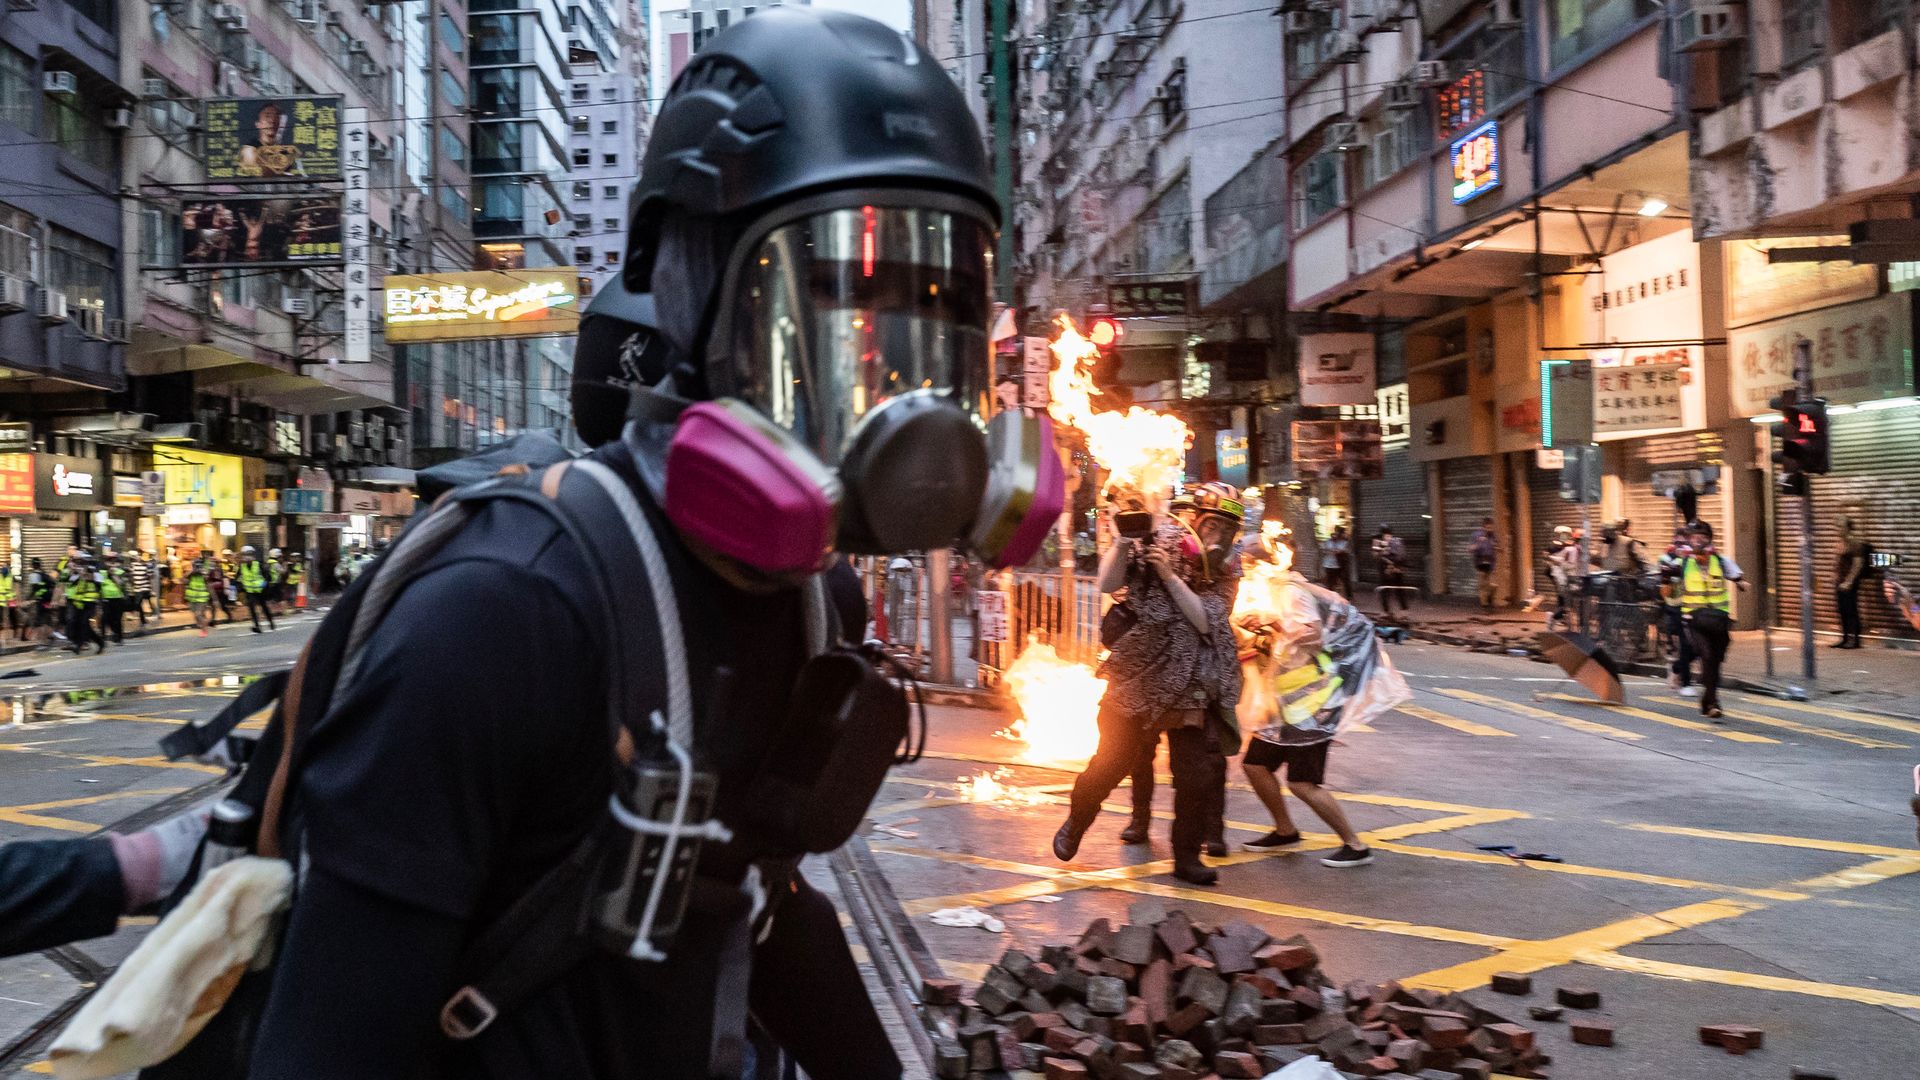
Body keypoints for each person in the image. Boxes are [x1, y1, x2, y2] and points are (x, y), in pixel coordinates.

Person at [236, 13, 1050, 1078]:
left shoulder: (814, 602)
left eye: (928, 311)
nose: (889, 388)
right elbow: (325, 1048)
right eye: (828, 302)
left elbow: (756, 901)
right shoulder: (501, 612)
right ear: (683, 279)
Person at [1055, 482, 1243, 886]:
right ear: (1190, 518)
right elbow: (1107, 584)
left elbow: (1208, 620)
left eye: (1227, 529)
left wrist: (1171, 578)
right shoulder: (1153, 540)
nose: (1218, 537)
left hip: (1193, 678)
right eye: (1212, 526)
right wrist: (1124, 542)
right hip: (1138, 671)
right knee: (1110, 764)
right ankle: (1077, 820)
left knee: (1194, 776)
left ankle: (1187, 857)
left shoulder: (1229, 567)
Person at [1233, 536, 1407, 868]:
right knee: (1255, 765)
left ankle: (1355, 845)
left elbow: (1312, 634)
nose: (1243, 567)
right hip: (1285, 701)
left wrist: (1271, 623)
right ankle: (1285, 830)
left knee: (1302, 781)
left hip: (1313, 702)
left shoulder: (1290, 591)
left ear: (1263, 563)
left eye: (1248, 561)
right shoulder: (1266, 592)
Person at [1677, 527, 1747, 719]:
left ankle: (1707, 700)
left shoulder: (1720, 560)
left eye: (1703, 537)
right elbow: (1668, 590)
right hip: (1694, 620)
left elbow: (1738, 578)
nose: (1698, 540)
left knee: (1715, 662)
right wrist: (1667, 580)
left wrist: (1742, 584)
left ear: (1709, 539)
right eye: (1694, 537)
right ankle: (1713, 703)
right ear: (1689, 540)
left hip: (1718, 620)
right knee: (1707, 656)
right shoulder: (1682, 562)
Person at [1834, 518, 1870, 649]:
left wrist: (1849, 581)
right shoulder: (1840, 543)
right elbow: (1838, 563)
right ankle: (1844, 639)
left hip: (1849, 584)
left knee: (1852, 611)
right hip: (1839, 582)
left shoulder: (1854, 543)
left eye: (1841, 527)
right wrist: (1834, 576)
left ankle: (1856, 640)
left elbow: (1857, 564)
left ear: (1848, 528)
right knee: (1842, 611)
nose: (1838, 529)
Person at [63, 554, 102, 655]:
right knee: (81, 624)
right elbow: (70, 581)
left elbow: (98, 582)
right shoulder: (78, 572)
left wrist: (86, 574)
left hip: (91, 602)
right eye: (77, 561)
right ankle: (97, 642)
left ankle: (79, 645)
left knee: (84, 623)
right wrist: (74, 572)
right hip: (80, 602)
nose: (78, 563)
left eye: (80, 561)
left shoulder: (93, 570)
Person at [237, 545, 276, 633]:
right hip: (250, 591)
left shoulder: (259, 565)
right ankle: (257, 625)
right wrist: (239, 586)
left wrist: (265, 583)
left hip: (261, 590)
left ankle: (271, 622)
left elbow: (268, 576)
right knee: (251, 607)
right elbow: (237, 578)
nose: (247, 557)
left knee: (264, 606)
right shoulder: (241, 567)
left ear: (253, 556)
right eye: (245, 555)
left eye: (249, 555)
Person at [1373, 526, 1410, 616]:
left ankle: (1386, 612)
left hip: (1387, 570)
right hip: (1398, 569)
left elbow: (1376, 556)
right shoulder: (1398, 541)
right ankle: (1404, 612)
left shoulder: (1379, 542)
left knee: (1385, 591)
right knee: (1399, 590)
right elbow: (1403, 556)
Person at [1469, 516, 1499, 610]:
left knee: (1493, 585)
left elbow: (1500, 548)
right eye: (1488, 527)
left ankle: (1488, 599)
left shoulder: (1493, 536)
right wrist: (1478, 543)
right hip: (1480, 563)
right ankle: (1485, 606)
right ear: (1483, 527)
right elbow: (1470, 549)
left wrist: (1496, 546)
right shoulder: (1476, 535)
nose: (1490, 529)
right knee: (1482, 585)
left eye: (1491, 527)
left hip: (1491, 563)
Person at [98, 557, 128, 646]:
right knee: (105, 618)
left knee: (117, 619)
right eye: (109, 562)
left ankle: (119, 637)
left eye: (113, 563)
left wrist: (113, 575)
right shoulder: (102, 573)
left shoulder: (120, 572)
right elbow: (98, 584)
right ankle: (103, 639)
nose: (111, 565)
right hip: (106, 599)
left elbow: (121, 584)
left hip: (118, 598)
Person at [26, 558, 54, 643]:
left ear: (33, 565)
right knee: (46, 617)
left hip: (41, 600)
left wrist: (28, 599)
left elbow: (34, 589)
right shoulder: (45, 574)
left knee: (39, 618)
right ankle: (49, 635)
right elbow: (52, 585)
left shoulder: (33, 575)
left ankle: (41, 638)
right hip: (48, 599)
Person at [184, 557, 213, 636]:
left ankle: (204, 630)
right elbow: (184, 580)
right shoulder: (191, 574)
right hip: (192, 598)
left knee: (198, 614)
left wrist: (214, 598)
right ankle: (205, 622)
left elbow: (208, 584)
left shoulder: (204, 574)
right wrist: (192, 572)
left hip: (202, 598)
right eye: (195, 566)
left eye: (198, 566)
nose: (197, 567)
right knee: (197, 616)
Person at [1321, 524, 1351, 597]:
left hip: (1339, 565)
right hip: (1329, 565)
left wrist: (1337, 551)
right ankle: (1330, 596)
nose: (1336, 534)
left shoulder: (1344, 542)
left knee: (1344, 581)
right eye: (1335, 532)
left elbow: (1343, 551)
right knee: (1330, 582)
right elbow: (1325, 550)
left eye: (1338, 533)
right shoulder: (1328, 541)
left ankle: (1348, 597)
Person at [205, 553, 234, 624]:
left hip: (220, 590)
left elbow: (224, 579)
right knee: (212, 606)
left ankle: (230, 617)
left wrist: (226, 589)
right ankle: (212, 619)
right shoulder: (210, 570)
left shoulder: (220, 570)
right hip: (213, 590)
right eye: (211, 562)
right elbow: (207, 579)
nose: (213, 563)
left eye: (214, 562)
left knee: (222, 605)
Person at [128, 550, 154, 626]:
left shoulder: (143, 565)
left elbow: (150, 576)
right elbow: (150, 576)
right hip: (140, 588)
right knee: (139, 604)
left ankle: (142, 618)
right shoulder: (135, 565)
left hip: (142, 588)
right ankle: (143, 620)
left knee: (138, 604)